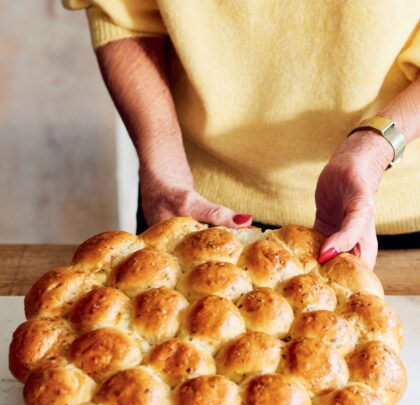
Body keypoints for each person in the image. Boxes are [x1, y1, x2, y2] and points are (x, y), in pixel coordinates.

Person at [64, 0, 420, 268]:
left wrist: (375, 148)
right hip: (194, 208)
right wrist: (162, 163)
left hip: (396, 213)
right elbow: (120, 10)